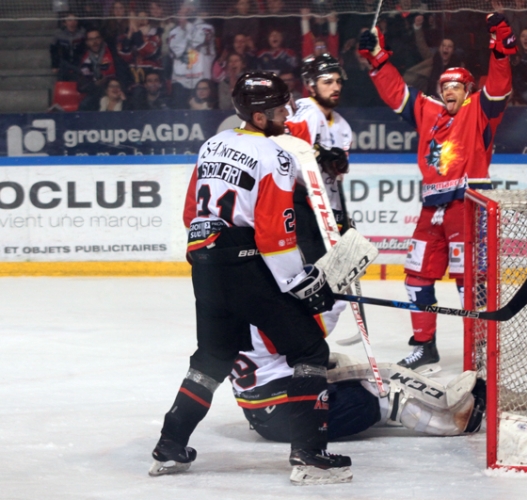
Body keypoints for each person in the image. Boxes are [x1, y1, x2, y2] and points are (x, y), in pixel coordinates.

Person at [151, 72, 351, 485]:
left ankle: (170, 447)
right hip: (247, 266)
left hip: (206, 266)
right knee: (310, 350)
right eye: (280, 110)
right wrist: (299, 281)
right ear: (259, 116)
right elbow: (274, 232)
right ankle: (309, 457)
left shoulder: (213, 144)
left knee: (212, 357)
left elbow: (192, 212)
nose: (287, 115)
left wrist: (211, 260)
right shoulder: (273, 156)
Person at [358, 13, 515, 373]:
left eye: (456, 86)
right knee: (416, 275)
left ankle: (478, 349)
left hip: (467, 206)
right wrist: (378, 60)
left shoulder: (480, 111)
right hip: (432, 208)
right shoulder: (429, 111)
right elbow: (397, 93)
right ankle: (424, 345)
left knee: (467, 282)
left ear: (469, 90)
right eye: (444, 85)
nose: (448, 90)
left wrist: (500, 49)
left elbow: (499, 85)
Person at [231, 344, 487, 443]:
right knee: (379, 393)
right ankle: (454, 423)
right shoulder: (263, 321)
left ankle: (441, 400)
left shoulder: (237, 323)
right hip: (288, 417)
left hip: (271, 413)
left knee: (344, 363)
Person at [286, 54, 353, 247]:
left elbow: (337, 177)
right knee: (311, 270)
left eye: (338, 82)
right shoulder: (305, 114)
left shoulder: (344, 126)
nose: (336, 88)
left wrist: (343, 215)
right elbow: (289, 160)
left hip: (328, 206)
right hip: (301, 205)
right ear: (311, 85)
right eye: (328, 82)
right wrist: (317, 156)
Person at [50, 12, 86, 82]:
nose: (73, 22)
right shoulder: (58, 33)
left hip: (78, 62)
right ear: (64, 23)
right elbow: (53, 49)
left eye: (75, 20)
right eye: (69, 20)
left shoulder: (82, 32)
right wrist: (54, 65)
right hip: (64, 62)